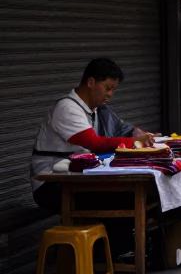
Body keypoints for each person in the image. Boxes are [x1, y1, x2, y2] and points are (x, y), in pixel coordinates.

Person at [30, 59, 156, 248]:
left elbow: (122, 128)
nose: (110, 95)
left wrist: (138, 133)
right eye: (107, 88)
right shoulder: (67, 108)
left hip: (79, 179)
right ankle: (111, 255)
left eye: (113, 89)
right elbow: (95, 143)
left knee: (141, 195)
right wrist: (136, 143)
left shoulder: (99, 111)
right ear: (90, 82)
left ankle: (114, 252)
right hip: (52, 185)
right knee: (122, 200)